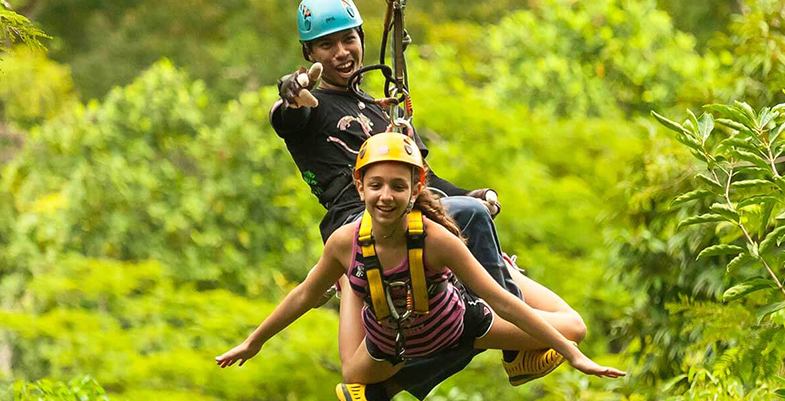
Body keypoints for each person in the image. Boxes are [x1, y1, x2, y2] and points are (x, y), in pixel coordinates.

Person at [269, 0, 581, 398]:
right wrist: (292, 92)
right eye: (326, 46)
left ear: (361, 38)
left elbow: (425, 182)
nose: (342, 53)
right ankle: (513, 345)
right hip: (362, 221)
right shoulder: (311, 108)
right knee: (469, 226)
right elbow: (287, 118)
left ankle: (385, 390)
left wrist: (472, 193)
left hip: (415, 213)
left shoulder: (379, 110)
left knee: (462, 318)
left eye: (348, 39)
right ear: (309, 54)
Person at [215, 133, 626, 398]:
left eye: (398, 186)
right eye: (375, 186)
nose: (386, 196)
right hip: (393, 347)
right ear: (359, 187)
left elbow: (499, 299)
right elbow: (304, 294)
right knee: (352, 373)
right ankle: (352, 287)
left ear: (417, 189)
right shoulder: (344, 242)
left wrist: (572, 355)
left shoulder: (436, 240)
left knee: (573, 329)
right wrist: (255, 341)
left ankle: (507, 274)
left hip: (460, 328)